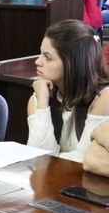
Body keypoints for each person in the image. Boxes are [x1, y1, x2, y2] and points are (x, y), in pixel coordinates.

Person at [27, 19, 109, 162]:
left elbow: (83, 161)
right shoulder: (40, 97)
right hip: (56, 180)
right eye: (40, 54)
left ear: (72, 62)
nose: (38, 61)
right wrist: (42, 104)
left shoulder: (104, 98)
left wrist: (50, 158)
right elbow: (38, 159)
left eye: (47, 57)